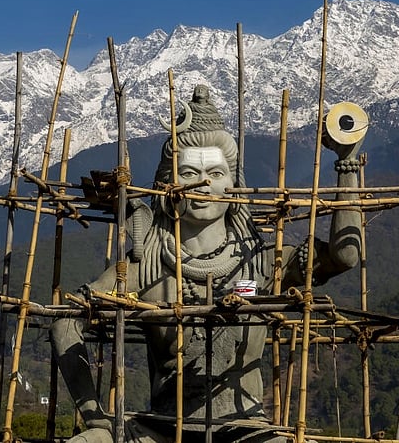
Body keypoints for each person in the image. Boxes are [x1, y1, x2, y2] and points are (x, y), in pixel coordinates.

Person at [50, 84, 363, 442]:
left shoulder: (263, 261)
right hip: (162, 428)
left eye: (215, 174)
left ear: (234, 185)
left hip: (246, 429)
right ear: (167, 185)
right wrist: (95, 416)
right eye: (188, 174)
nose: (202, 184)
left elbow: (344, 256)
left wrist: (347, 162)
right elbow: (65, 323)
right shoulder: (145, 266)